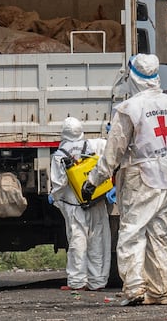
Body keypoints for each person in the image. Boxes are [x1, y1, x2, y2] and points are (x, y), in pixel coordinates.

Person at [82, 53, 167, 306]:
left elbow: (114, 150)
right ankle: (159, 291)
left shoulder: (129, 108)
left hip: (141, 176)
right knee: (158, 236)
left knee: (132, 232)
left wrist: (94, 180)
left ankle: (134, 289)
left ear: (132, 76)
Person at [49, 117, 111, 292]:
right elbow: (112, 153)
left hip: (74, 205)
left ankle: (77, 282)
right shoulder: (93, 146)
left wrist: (55, 198)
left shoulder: (60, 155)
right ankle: (97, 281)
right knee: (97, 239)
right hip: (95, 200)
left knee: (77, 240)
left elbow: (59, 184)